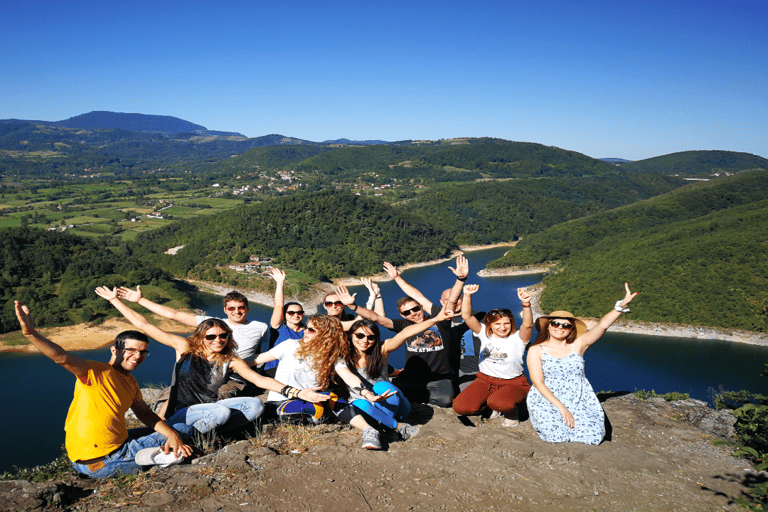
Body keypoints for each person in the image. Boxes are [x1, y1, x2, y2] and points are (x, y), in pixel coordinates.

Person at [96, 287, 327, 436]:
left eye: (223, 336)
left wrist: (297, 393)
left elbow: (259, 380)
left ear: (228, 337)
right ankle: (184, 435)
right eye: (211, 336)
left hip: (208, 410)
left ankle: (195, 433)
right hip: (182, 411)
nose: (218, 340)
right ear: (201, 337)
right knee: (219, 416)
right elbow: (145, 325)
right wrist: (115, 301)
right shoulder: (185, 348)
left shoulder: (231, 360)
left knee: (255, 406)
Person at [13, 301, 194, 478]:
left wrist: (170, 434)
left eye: (143, 352)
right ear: (115, 350)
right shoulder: (95, 372)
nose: (137, 356)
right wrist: (31, 334)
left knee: (169, 430)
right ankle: (155, 457)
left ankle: (153, 453)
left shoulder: (130, 382)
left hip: (103, 450)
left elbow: (145, 413)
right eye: (130, 350)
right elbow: (62, 358)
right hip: (102, 461)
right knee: (184, 428)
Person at [335, 256, 477, 407]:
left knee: (445, 401)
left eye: (416, 308)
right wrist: (353, 307)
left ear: (421, 307)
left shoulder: (440, 317)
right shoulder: (402, 325)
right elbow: (375, 317)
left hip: (439, 377)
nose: (413, 313)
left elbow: (451, 300)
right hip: (411, 377)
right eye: (407, 312)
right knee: (394, 392)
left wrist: (461, 280)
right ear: (402, 315)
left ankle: (421, 396)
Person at [526, 283, 639, 445]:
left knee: (592, 434)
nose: (560, 328)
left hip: (579, 396)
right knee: (556, 435)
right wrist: (561, 407)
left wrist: (620, 307)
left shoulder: (578, 345)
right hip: (547, 398)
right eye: (555, 324)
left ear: (572, 329)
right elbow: (537, 382)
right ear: (548, 326)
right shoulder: (536, 349)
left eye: (566, 325)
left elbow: (602, 325)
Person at [117, 286, 268, 397]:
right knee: (173, 396)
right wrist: (139, 300)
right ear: (225, 310)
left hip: (234, 376)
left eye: (241, 307)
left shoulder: (260, 327)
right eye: (231, 308)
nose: (236, 311)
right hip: (205, 373)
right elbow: (174, 314)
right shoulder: (211, 323)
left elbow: (259, 351)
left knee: (220, 396)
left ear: (247, 309)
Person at [333, 309, 453, 448]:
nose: (364, 341)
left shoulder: (382, 350)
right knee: (359, 403)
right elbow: (348, 376)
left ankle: (383, 424)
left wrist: (435, 319)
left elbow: (405, 333)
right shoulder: (343, 357)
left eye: (370, 337)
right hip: (366, 406)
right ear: (351, 335)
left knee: (381, 387)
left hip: (394, 404)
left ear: (376, 338)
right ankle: (398, 427)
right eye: (359, 335)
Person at [452, 285, 534, 427]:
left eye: (506, 323)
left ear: (512, 323)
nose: (502, 327)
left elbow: (528, 325)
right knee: (461, 407)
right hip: (484, 381)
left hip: (513, 382)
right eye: (497, 324)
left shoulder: (519, 338)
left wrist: (526, 304)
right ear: (490, 325)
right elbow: (467, 316)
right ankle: (492, 405)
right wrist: (467, 295)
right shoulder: (484, 333)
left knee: (499, 402)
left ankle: (511, 411)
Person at [265, 268, 305, 378]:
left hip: (299, 368)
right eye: (291, 312)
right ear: (284, 314)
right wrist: (280, 283)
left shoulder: (308, 330)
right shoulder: (279, 327)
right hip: (275, 368)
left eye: (299, 312)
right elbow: (278, 306)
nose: (296, 315)